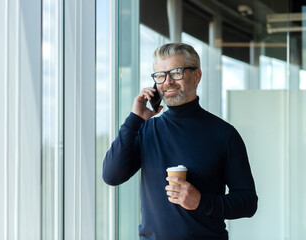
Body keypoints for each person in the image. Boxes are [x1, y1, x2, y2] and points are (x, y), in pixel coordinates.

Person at [102, 43, 258, 240]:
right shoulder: (146, 130)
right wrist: (134, 119)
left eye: (176, 72)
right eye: (160, 75)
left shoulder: (224, 134)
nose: (167, 82)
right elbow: (111, 175)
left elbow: (248, 202)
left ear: (197, 76)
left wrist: (201, 201)